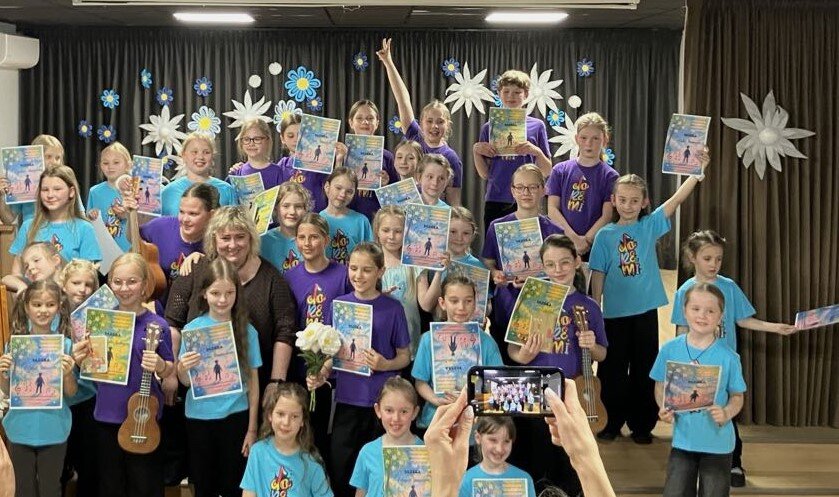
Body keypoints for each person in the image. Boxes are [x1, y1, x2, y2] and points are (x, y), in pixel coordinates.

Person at [590, 150, 710, 444]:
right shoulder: (605, 235)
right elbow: (598, 274)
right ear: (613, 200)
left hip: (644, 312)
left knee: (645, 367)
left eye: (635, 200)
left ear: (644, 202)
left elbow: (676, 201)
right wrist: (595, 309)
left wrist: (696, 173)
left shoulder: (648, 226)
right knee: (612, 369)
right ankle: (611, 422)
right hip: (613, 315)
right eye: (623, 200)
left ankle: (642, 424)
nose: (628, 205)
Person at [672, 229, 796, 486]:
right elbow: (681, 331)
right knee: (696, 416)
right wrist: (683, 364)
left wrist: (776, 328)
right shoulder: (684, 291)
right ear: (692, 258)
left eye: (718, 259)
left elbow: (743, 319)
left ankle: (734, 463)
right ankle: (695, 465)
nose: (714, 264)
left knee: (726, 414)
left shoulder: (728, 287)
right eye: (707, 258)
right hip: (697, 369)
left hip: (724, 367)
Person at [507, 234, 607, 495]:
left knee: (571, 460)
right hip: (535, 389)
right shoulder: (532, 299)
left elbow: (602, 354)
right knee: (538, 456)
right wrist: (524, 356)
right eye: (550, 264)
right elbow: (513, 351)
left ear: (577, 262)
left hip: (571, 391)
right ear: (542, 266)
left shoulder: (589, 306)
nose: (558, 269)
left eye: (564, 262)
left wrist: (591, 345)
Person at [310, 243, 411, 497]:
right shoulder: (339, 305)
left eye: (367, 270)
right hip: (347, 400)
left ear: (380, 272)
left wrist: (385, 364)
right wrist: (321, 373)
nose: (358, 275)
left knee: (378, 473)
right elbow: (333, 355)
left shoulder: (393, 308)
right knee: (342, 469)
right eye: (353, 268)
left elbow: (404, 356)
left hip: (382, 405)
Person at [72, 253, 175, 497]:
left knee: (145, 484)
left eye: (132, 282)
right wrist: (80, 359)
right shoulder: (99, 320)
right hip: (107, 415)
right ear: (109, 284)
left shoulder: (157, 324)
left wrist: (160, 365)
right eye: (117, 282)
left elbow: (169, 368)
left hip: (144, 417)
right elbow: (91, 366)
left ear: (144, 284)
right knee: (111, 485)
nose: (124, 288)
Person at [166, 206, 297, 396]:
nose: (233, 245)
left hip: (251, 390)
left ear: (251, 238)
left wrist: (276, 382)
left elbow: (285, 332)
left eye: (240, 237)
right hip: (197, 389)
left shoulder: (272, 280)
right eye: (225, 238)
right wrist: (171, 373)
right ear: (214, 239)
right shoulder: (195, 270)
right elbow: (173, 323)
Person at [176, 258, 262, 497]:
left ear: (237, 293)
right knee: (203, 486)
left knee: (233, 485)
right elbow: (185, 381)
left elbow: (254, 383)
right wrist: (182, 367)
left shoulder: (247, 331)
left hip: (236, 418)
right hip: (199, 419)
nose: (223, 300)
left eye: (229, 293)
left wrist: (252, 429)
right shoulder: (193, 330)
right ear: (204, 293)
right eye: (215, 293)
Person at [652, 283, 746, 497]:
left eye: (710, 311)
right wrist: (663, 406)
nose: (702, 315)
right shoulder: (669, 350)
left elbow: (737, 396)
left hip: (718, 444)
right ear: (684, 311)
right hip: (683, 442)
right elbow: (660, 385)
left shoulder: (729, 357)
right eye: (695, 309)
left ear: (721, 316)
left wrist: (726, 413)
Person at [283, 213, 353, 464]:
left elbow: (351, 323)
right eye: (301, 237)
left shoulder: (343, 275)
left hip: (333, 372)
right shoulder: (290, 277)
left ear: (326, 240)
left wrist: (329, 364)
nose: (307, 243)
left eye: (313, 237)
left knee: (325, 439)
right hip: (301, 370)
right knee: (302, 436)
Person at [0, 280, 77, 497]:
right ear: (27, 307)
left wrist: (68, 373)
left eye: (50, 305)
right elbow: (8, 390)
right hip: (19, 429)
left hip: (54, 429)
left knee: (50, 489)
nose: (43, 310)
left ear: (59, 308)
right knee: (22, 489)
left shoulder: (65, 346)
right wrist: (2, 372)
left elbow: (71, 392)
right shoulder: (15, 345)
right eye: (37, 304)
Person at [481, 164, 562, 363]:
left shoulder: (554, 230)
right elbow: (488, 262)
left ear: (543, 190)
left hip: (542, 310)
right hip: (506, 306)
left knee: (539, 365)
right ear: (512, 190)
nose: (526, 192)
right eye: (520, 187)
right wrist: (495, 273)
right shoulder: (497, 226)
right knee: (506, 365)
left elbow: (562, 272)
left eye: (533, 187)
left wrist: (539, 277)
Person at [412, 275, 502, 437]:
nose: (461, 307)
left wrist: (474, 399)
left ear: (475, 303)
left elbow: (497, 383)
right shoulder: (428, 339)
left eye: (468, 301)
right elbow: (420, 382)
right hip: (436, 421)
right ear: (442, 303)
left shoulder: (486, 342)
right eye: (454, 301)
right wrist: (436, 400)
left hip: (474, 428)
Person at [377, 38, 462, 206]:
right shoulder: (414, 135)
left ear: (448, 125)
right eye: (429, 121)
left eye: (440, 121)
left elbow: (454, 200)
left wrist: (454, 219)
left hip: (431, 215)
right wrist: (388, 63)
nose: (434, 126)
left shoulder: (450, 157)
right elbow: (402, 100)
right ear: (421, 123)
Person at [473, 70, 552, 230]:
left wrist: (536, 151)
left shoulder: (537, 126)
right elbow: (485, 174)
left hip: (527, 197)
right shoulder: (488, 128)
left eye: (517, 92)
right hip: (496, 197)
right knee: (495, 242)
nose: (511, 96)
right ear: (499, 94)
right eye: (506, 91)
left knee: (528, 241)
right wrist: (476, 151)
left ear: (526, 94)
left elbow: (546, 170)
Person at [546, 112, 618, 263]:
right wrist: (573, 238)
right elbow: (552, 209)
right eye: (584, 138)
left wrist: (586, 240)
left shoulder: (610, 176)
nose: (588, 143)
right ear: (576, 138)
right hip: (563, 243)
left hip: (595, 246)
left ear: (605, 140)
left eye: (595, 138)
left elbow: (607, 215)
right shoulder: (560, 170)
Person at [240, 382, 332, 497]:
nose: (286, 422)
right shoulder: (257, 452)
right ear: (270, 415)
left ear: (302, 421)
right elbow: (248, 493)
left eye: (294, 416)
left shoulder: (311, 462)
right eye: (280, 414)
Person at [9, 166, 102, 280]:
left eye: (57, 189)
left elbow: (88, 276)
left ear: (71, 192)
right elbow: (16, 273)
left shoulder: (85, 228)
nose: (50, 195)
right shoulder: (28, 226)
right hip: (34, 291)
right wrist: (22, 288)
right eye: (45, 190)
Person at [374, 206, 444, 355]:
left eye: (398, 231)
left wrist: (439, 271)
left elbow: (426, 304)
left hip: (409, 342)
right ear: (377, 232)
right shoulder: (371, 263)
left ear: (407, 233)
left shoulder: (414, 264)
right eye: (386, 230)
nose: (392, 236)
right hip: (379, 342)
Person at [58, 259, 100, 497]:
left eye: (88, 284)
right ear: (64, 284)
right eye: (76, 283)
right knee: (60, 467)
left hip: (88, 399)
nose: (82, 289)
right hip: (60, 401)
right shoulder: (52, 313)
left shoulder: (100, 315)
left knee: (89, 465)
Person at [137, 183, 219, 301]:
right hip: (161, 309)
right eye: (181, 212)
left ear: (211, 215)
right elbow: (133, 238)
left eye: (193, 214)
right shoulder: (161, 226)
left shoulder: (220, 241)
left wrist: (205, 260)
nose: (185, 219)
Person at [350, 377, 422, 497]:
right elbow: (360, 493)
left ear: (414, 412)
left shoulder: (427, 451)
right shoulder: (367, 452)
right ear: (378, 410)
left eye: (404, 411)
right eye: (389, 410)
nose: (396, 418)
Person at [344, 100, 400, 220]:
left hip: (377, 219)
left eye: (370, 118)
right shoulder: (342, 154)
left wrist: (386, 185)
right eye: (359, 118)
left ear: (377, 123)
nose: (365, 122)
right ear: (351, 122)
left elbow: (396, 199)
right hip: (347, 218)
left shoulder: (388, 157)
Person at [457, 417, 536, 497]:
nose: (499, 449)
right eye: (493, 440)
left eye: (506, 441)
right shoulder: (465, 480)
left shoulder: (525, 478)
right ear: (478, 438)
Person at [161, 133, 237, 216]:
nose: (200, 157)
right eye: (194, 152)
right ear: (183, 155)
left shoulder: (227, 190)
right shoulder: (167, 192)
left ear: (212, 156)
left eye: (206, 152)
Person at [0, 134, 66, 225]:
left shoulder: (67, 184)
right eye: (48, 157)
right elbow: (8, 219)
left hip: (58, 232)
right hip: (30, 232)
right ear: (34, 158)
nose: (54, 162)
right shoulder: (20, 182)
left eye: (57, 158)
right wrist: (0, 197)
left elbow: (80, 215)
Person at [320, 167, 374, 265]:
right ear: (327, 187)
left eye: (349, 191)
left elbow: (371, 256)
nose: (342, 194)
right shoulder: (318, 221)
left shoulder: (361, 222)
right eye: (338, 188)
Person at [276, 114, 329, 212]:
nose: (296, 139)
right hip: (290, 218)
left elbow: (333, 189)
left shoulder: (320, 163)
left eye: (301, 135)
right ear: (282, 139)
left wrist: (339, 160)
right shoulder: (281, 166)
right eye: (290, 136)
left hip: (315, 218)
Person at [87, 141, 133, 251]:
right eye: (105, 163)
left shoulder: (135, 190)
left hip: (130, 250)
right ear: (100, 165)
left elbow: (146, 221)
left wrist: (127, 215)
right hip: (105, 251)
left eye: (116, 162)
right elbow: (88, 221)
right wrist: (91, 215)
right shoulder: (95, 191)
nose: (110, 167)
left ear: (128, 165)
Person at [260, 181, 311, 274]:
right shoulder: (263, 240)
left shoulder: (312, 239)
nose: (292, 212)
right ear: (276, 208)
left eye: (298, 206)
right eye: (286, 206)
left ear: (305, 210)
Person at [228, 119, 285, 190]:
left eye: (257, 139)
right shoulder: (237, 172)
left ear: (267, 140)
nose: (251, 144)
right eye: (246, 139)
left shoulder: (277, 172)